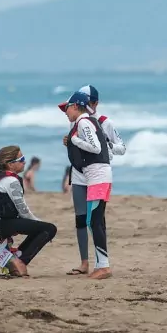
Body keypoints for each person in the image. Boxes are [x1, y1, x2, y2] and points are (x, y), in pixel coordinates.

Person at [59, 87, 120, 279]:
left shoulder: (88, 122)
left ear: (77, 106)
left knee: (95, 221)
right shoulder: (82, 122)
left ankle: (104, 267)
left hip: (97, 176)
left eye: (67, 108)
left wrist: (76, 141)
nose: (65, 112)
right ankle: (97, 265)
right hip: (89, 175)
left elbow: (96, 147)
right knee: (90, 220)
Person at [0, 145, 57, 277]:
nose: (24, 162)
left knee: (39, 228)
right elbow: (23, 210)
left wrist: (37, 225)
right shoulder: (11, 181)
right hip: (4, 223)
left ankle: (15, 258)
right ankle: (19, 261)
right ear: (10, 165)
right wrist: (39, 223)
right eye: (21, 159)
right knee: (49, 229)